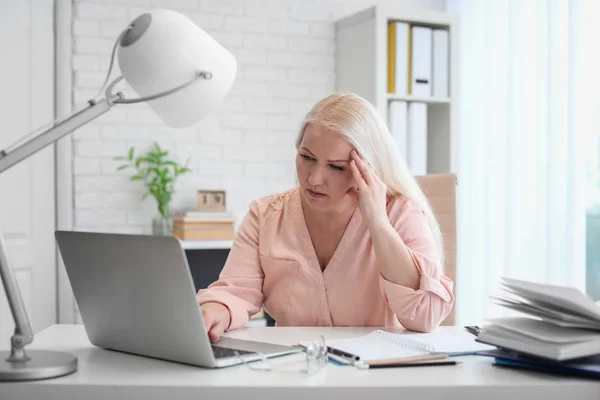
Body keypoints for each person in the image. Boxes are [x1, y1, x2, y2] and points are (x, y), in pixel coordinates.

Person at [197, 92, 455, 342]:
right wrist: (214, 311)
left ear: (367, 168)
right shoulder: (265, 216)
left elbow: (425, 317)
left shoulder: (400, 214)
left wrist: (378, 223)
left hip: (373, 375)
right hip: (296, 368)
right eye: (307, 157)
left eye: (336, 166)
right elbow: (235, 292)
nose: (314, 178)